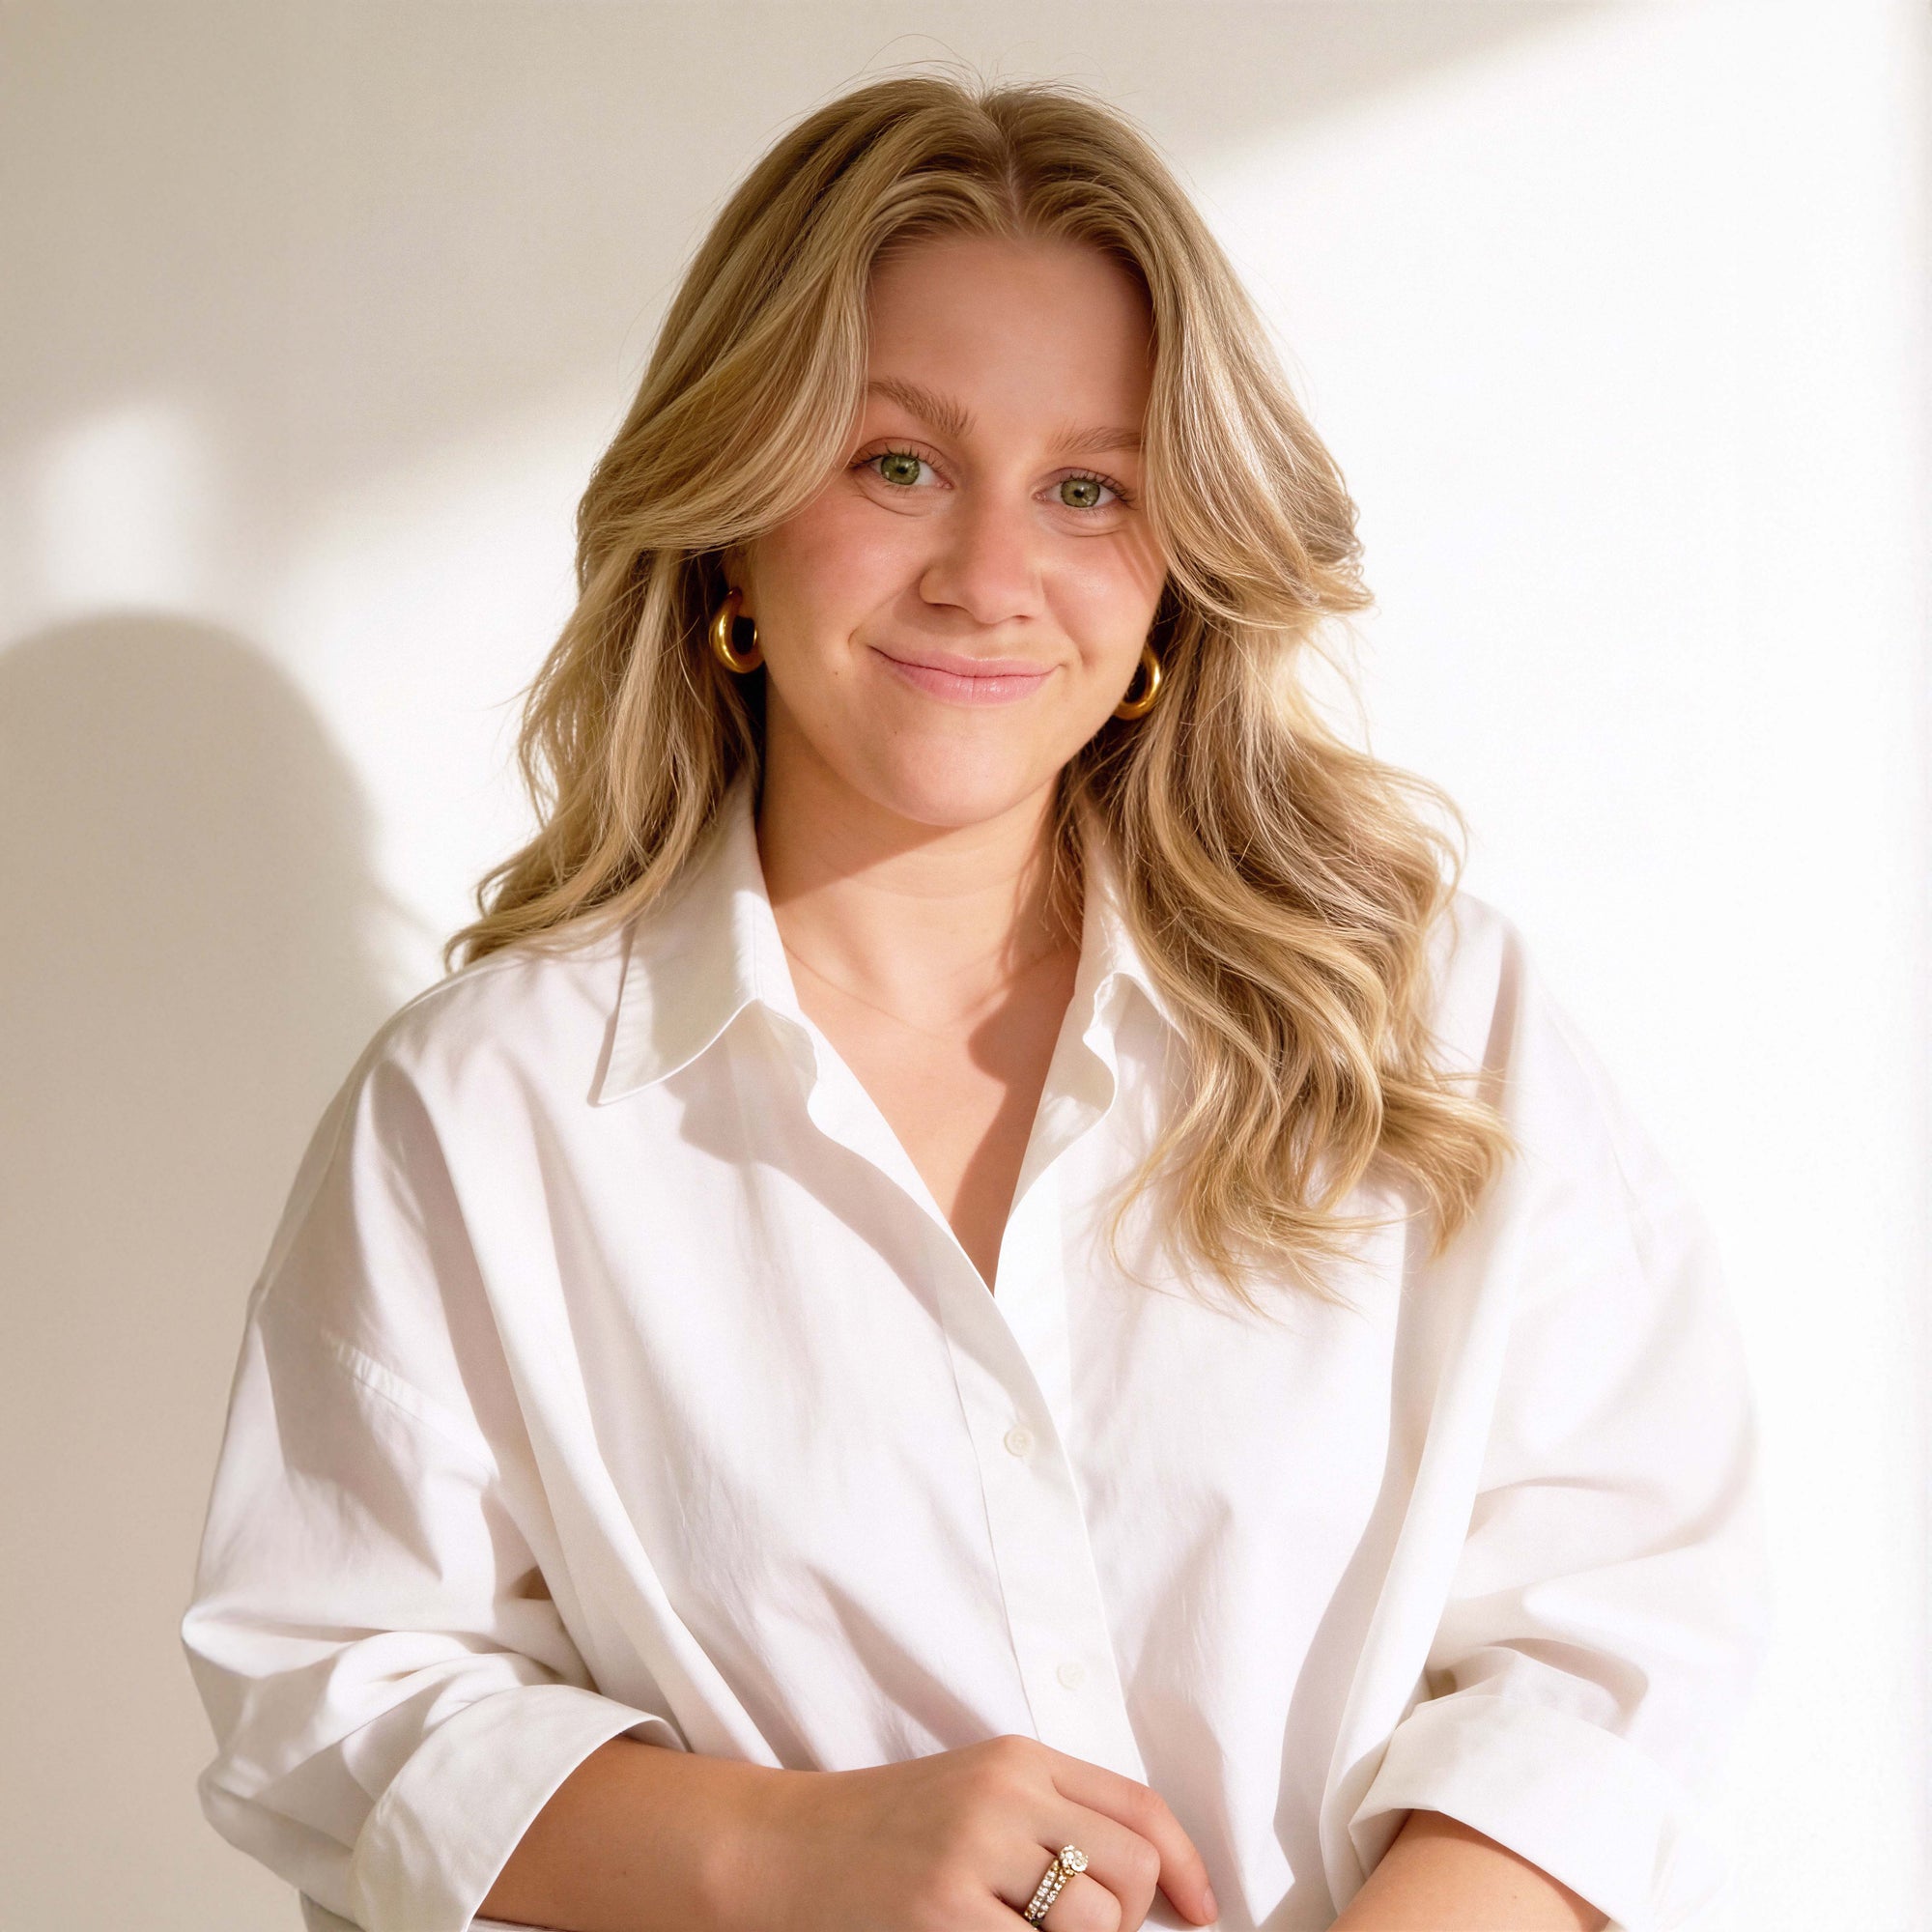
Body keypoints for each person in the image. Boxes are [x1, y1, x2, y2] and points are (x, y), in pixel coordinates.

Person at [179, 71, 1772, 1932]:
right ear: (732, 523)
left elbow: (1625, 1626)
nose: (990, 578)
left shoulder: (1423, 1020)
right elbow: (330, 1691)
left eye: (1088, 489)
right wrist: (790, 1851)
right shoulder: (485, 1112)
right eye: (898, 465)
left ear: (1174, 579)